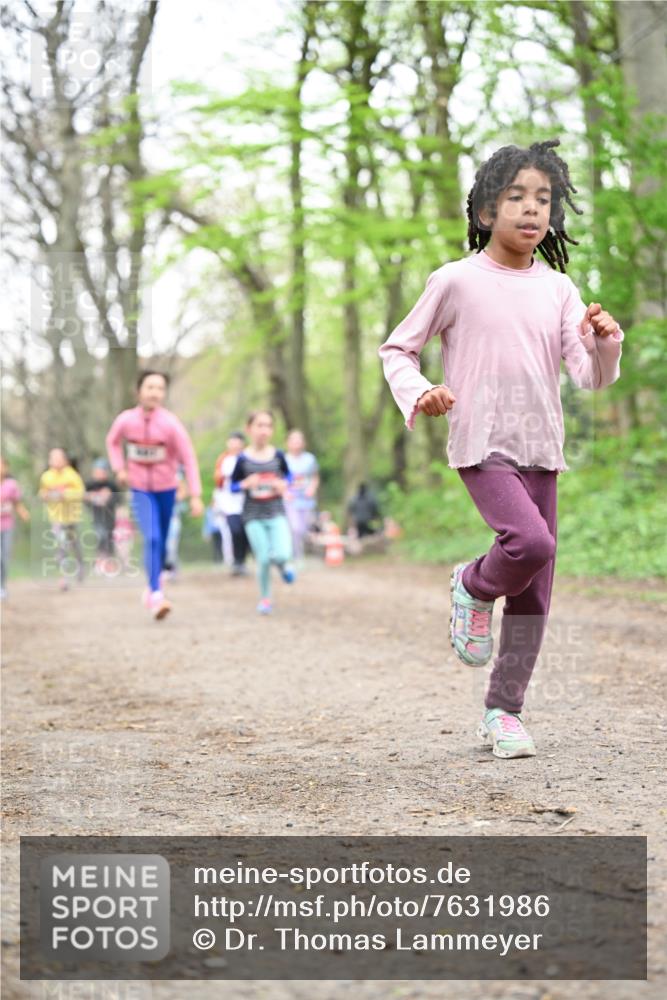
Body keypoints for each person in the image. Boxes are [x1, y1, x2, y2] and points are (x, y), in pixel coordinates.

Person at [379, 138, 624, 760]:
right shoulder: (455, 280)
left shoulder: (560, 290)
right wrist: (422, 391)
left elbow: (588, 377)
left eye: (542, 198)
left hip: (542, 445)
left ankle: (503, 713)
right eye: (515, 196)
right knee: (531, 544)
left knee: (537, 589)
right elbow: (397, 349)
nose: (530, 208)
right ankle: (474, 584)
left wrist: (605, 343)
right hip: (482, 440)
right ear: (486, 211)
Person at [106, 370, 203, 620]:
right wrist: (119, 468)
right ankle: (157, 594)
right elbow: (113, 442)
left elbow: (188, 458)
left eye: (160, 388)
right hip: (140, 489)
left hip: (167, 489)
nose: (155, 393)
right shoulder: (126, 420)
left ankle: (152, 586)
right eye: (150, 387)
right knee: (153, 537)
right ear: (138, 391)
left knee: (161, 541)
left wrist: (195, 494)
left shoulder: (170, 424)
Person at [230, 410, 295, 614]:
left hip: (276, 512)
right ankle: (265, 599)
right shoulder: (242, 459)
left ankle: (284, 567)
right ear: (249, 429)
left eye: (268, 426)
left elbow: (290, 477)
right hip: (252, 515)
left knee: (283, 554)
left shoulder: (278, 456)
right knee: (264, 558)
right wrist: (245, 484)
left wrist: (283, 484)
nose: (264, 431)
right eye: (259, 425)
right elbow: (231, 486)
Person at [38, 448, 86, 591]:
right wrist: (46, 496)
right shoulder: (46, 477)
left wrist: (64, 494)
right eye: (52, 458)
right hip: (56, 518)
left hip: (72, 517)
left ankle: (80, 566)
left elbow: (80, 493)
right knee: (60, 546)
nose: (55, 461)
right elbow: (42, 493)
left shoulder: (72, 475)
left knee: (74, 545)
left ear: (65, 460)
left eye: (58, 458)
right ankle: (63, 577)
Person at [213, 432, 249, 576]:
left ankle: (241, 561)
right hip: (228, 501)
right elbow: (217, 480)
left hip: (245, 500)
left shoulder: (246, 458)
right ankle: (235, 560)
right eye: (231, 441)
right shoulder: (223, 459)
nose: (234, 445)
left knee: (245, 531)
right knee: (234, 529)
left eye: (237, 442)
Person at [284, 429, 320, 561]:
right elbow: (280, 479)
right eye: (293, 440)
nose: (296, 443)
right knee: (294, 528)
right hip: (291, 500)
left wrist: (312, 488)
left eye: (299, 440)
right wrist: (285, 492)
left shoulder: (310, 459)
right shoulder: (284, 459)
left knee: (305, 528)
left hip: (306, 499)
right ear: (287, 443)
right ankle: (296, 556)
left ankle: (305, 553)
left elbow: (315, 477)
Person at [0, 456, 30, 600]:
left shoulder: (11, 485)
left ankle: (2, 586)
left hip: (7, 526)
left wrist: (24, 513)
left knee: (4, 557)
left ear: (6, 468)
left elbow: (17, 503)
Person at [84, 459, 119, 574]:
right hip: (96, 516)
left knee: (109, 539)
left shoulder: (111, 485)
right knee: (100, 535)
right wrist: (91, 497)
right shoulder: (89, 485)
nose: (100, 474)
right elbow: (83, 499)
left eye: (102, 471)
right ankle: (99, 561)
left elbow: (118, 499)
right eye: (98, 471)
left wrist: (109, 497)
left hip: (109, 517)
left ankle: (109, 564)